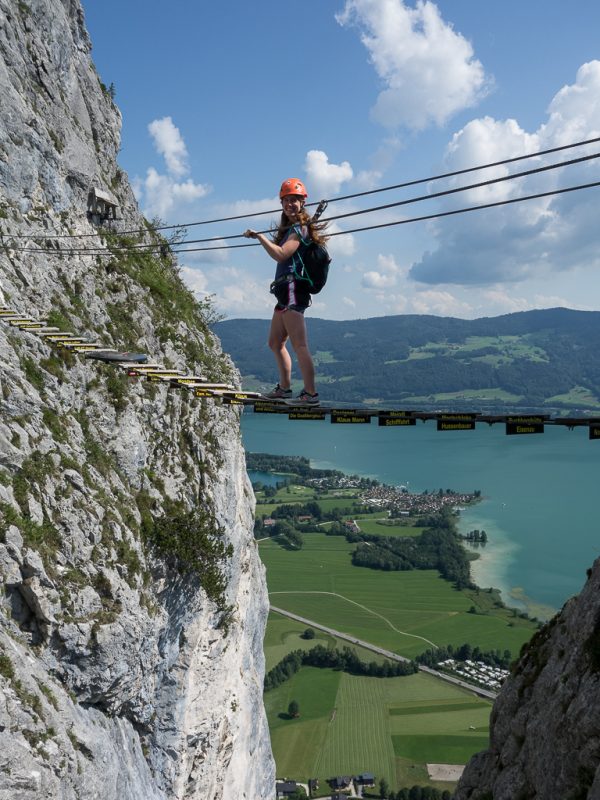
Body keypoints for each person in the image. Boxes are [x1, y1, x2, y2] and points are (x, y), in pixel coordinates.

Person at [244, 177, 328, 406]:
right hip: (284, 292)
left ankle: (310, 394)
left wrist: (259, 237)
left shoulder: (300, 228)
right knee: (275, 343)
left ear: (303, 203)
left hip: (293, 290)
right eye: (286, 200)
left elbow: (281, 254)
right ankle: (285, 388)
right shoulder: (292, 228)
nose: (290, 204)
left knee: (300, 345)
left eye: (295, 200)